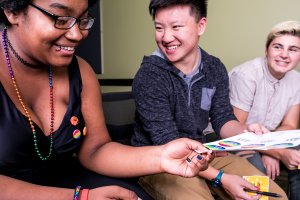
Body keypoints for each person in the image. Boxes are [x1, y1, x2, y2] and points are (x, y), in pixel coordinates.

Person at [0, 0, 215, 199]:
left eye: (83, 20)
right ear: (12, 11)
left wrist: (161, 157)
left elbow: (96, 150)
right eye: (60, 18)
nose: (76, 34)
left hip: (69, 181)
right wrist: (80, 197)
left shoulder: (81, 71)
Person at [131, 0, 288, 199]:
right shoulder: (149, 76)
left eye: (176, 27)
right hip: (160, 161)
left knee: (273, 196)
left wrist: (245, 131)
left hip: (204, 154)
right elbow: (168, 143)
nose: (166, 37)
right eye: (159, 28)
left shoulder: (214, 68)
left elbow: (222, 118)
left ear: (201, 26)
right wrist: (221, 178)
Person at [228, 20, 300, 199]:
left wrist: (272, 148)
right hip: (230, 138)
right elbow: (235, 131)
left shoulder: (297, 80)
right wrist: (276, 152)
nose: (284, 55)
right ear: (266, 49)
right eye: (278, 47)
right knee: (256, 168)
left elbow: (290, 125)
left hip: (265, 138)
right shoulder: (246, 75)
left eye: (293, 49)